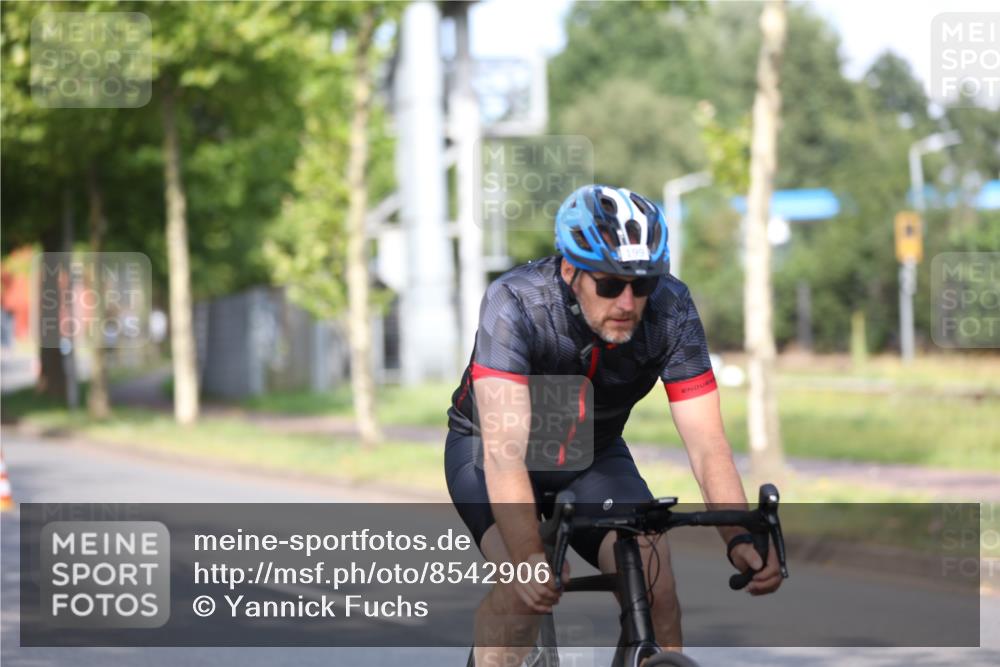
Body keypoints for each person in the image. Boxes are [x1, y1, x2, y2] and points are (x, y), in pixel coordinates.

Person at [445, 184, 782, 666]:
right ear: (570, 270)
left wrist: (739, 539)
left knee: (656, 583)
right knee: (521, 589)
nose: (628, 301)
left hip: (591, 451)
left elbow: (709, 446)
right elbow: (504, 453)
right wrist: (527, 558)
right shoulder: (516, 302)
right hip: (486, 449)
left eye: (642, 284)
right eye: (609, 284)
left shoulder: (672, 309)